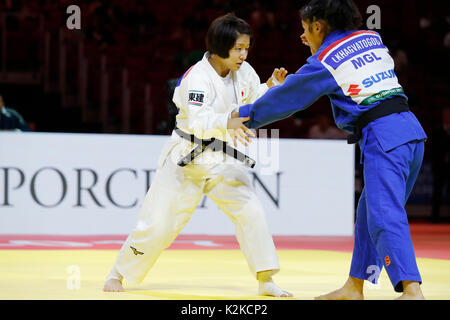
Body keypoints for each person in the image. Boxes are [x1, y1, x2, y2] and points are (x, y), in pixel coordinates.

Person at [233, 0, 427, 300]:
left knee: (383, 213)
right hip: (411, 132)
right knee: (367, 213)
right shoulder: (371, 38)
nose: (303, 37)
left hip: (384, 135)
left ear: (319, 26)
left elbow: (290, 95)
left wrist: (246, 115)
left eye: (305, 30)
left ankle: (411, 290)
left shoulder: (327, 58)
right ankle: (354, 286)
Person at [103, 13, 292, 298]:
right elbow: (199, 122)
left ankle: (266, 279)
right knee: (159, 224)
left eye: (246, 48)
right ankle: (118, 272)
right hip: (187, 156)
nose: (243, 54)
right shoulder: (197, 78)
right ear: (219, 46)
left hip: (223, 158)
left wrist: (271, 86)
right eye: (238, 48)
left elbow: (252, 98)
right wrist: (231, 122)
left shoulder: (245, 70)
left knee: (251, 212)